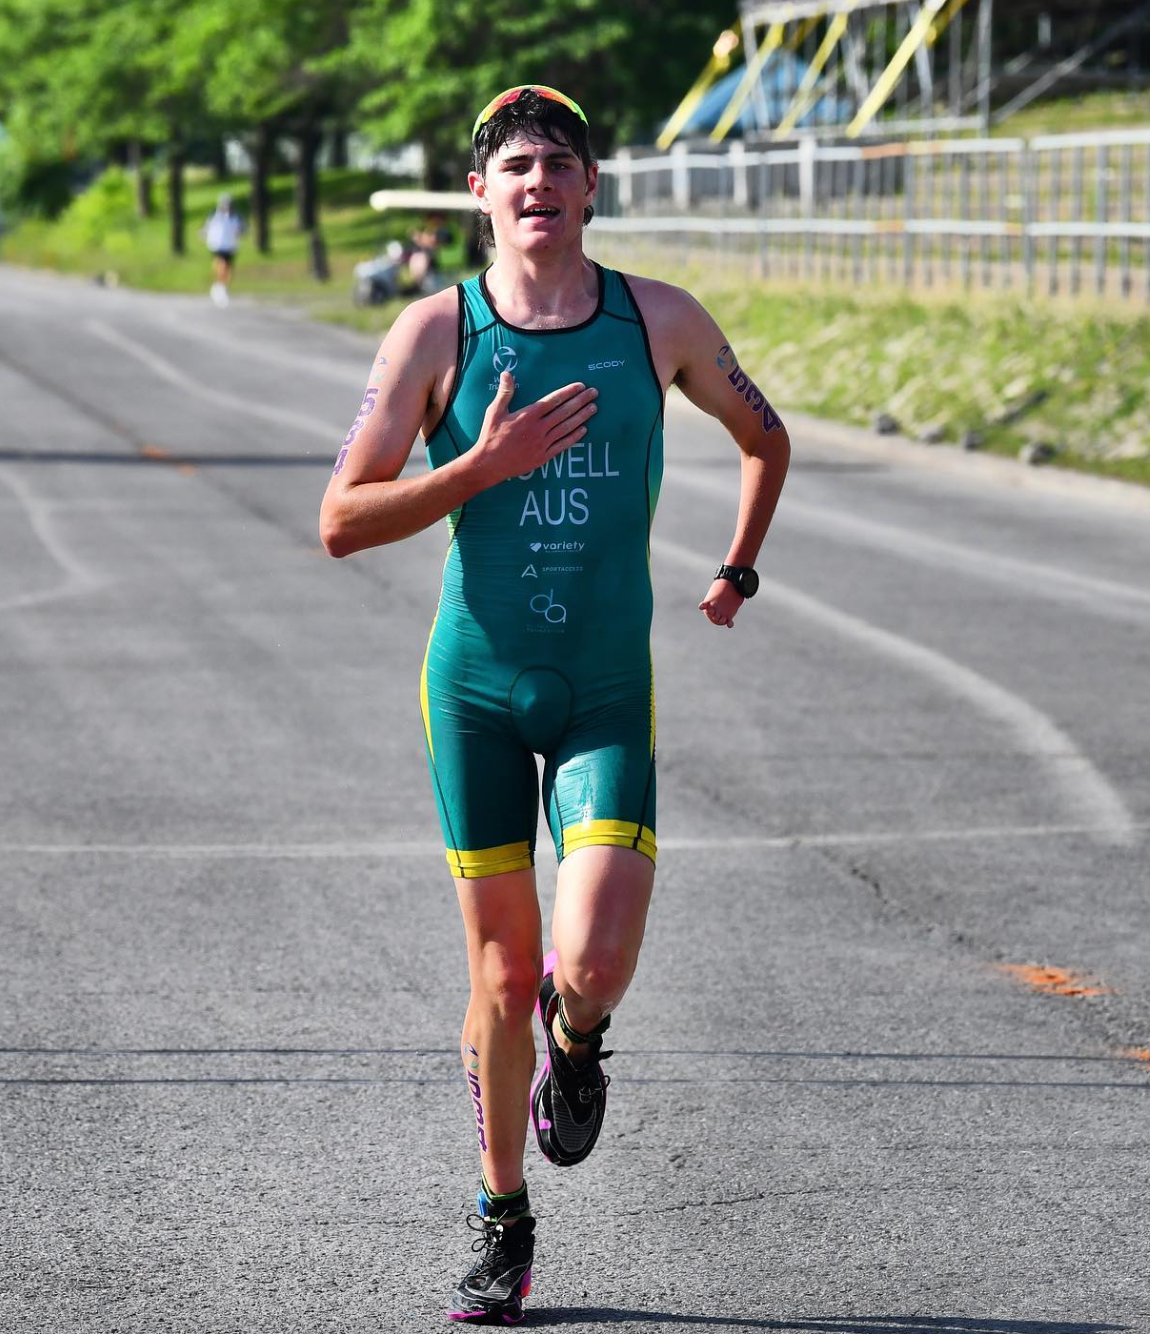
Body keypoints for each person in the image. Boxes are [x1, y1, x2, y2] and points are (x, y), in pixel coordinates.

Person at [319, 84, 790, 1325]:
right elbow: (339, 520)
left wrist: (738, 564)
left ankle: (572, 1043)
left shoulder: (659, 321)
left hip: (600, 692)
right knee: (503, 961)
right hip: (475, 689)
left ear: (592, 187)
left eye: (559, 163)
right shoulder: (435, 333)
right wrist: (480, 466)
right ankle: (502, 1216)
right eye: (514, 164)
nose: (537, 181)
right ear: (479, 191)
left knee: (587, 961)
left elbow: (766, 436)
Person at [201, 193, 245, 307]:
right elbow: (207, 227)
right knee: (222, 265)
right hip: (217, 245)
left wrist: (240, 232)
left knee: (228, 270)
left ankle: (220, 287)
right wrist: (204, 233)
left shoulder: (236, 217)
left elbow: (242, 229)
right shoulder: (214, 215)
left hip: (230, 246)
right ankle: (219, 288)